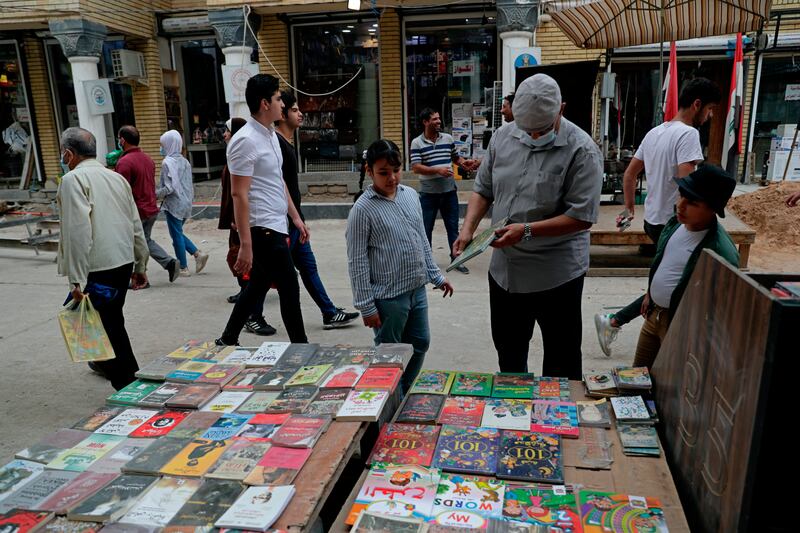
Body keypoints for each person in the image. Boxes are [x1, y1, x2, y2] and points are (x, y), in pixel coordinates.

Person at [453, 73, 602, 380]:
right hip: (506, 272)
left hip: (557, 274)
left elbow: (582, 217)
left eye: (541, 131)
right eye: (527, 130)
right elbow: (483, 189)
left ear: (561, 109)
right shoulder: (503, 137)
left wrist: (528, 230)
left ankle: (555, 422)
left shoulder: (582, 150)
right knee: (509, 355)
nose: (533, 137)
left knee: (561, 363)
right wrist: (468, 228)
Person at [594, 77, 722, 356]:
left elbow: (630, 175)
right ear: (697, 104)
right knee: (677, 284)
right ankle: (614, 320)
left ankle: (616, 321)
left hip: (653, 220)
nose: (710, 116)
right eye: (710, 109)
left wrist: (629, 208)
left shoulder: (655, 132)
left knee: (669, 279)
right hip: (674, 222)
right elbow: (688, 187)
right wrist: (689, 219)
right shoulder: (688, 135)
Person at [347, 139, 454, 392]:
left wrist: (436, 276)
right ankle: (390, 399)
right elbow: (357, 261)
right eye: (383, 172)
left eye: (396, 170)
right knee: (389, 355)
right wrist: (366, 306)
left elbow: (421, 241)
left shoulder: (410, 196)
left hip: (417, 290)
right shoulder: (362, 209)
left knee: (421, 343)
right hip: (388, 299)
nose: (392, 178)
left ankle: (403, 388)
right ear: (369, 171)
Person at [216, 74, 310, 346]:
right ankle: (301, 348)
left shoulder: (270, 135)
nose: (283, 103)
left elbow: (276, 181)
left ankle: (228, 337)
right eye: (279, 98)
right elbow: (239, 193)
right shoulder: (245, 140)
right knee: (290, 287)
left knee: (257, 284)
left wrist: (295, 217)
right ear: (264, 103)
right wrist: (246, 244)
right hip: (262, 229)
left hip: (277, 223)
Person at [57, 127, 149, 390]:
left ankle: (127, 382)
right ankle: (111, 368)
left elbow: (77, 231)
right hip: (122, 262)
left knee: (108, 326)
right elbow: (134, 224)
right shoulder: (115, 177)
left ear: (68, 153)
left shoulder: (73, 180)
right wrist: (140, 263)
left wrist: (75, 279)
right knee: (110, 321)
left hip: (97, 268)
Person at [631, 164, 739, 369]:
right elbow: (664, 261)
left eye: (692, 202)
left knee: (669, 387)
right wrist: (650, 293)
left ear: (713, 208)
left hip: (682, 326)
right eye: (681, 195)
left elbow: (722, 303)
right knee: (637, 378)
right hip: (654, 316)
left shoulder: (720, 250)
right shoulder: (675, 224)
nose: (680, 205)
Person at [273, 90, 360, 329]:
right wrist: (294, 218)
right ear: (281, 114)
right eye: (294, 110)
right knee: (267, 275)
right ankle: (252, 315)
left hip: (294, 220)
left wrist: (298, 218)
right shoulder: (276, 144)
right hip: (283, 223)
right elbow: (279, 187)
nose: (300, 114)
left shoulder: (287, 143)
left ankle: (329, 312)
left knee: (308, 267)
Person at [219, 117, 276, 336]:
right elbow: (234, 194)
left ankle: (241, 324)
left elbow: (244, 193)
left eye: (227, 130)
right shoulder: (235, 154)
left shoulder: (245, 152)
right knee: (250, 272)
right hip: (241, 222)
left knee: (259, 275)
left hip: (249, 221)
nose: (225, 135)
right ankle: (248, 319)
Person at [410, 108, 479, 274]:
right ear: (425, 122)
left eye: (439, 118)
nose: (439, 122)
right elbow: (416, 167)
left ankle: (456, 259)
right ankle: (427, 263)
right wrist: (437, 170)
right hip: (428, 195)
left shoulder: (447, 139)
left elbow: (455, 157)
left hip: (449, 192)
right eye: (434, 119)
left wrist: (464, 163)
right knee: (426, 229)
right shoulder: (416, 143)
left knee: (453, 227)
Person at [115, 125, 179, 285]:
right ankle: (168, 263)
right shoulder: (147, 159)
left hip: (137, 211)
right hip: (150, 207)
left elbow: (120, 192)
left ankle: (141, 277)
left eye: (119, 138)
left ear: (122, 140)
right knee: (144, 240)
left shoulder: (124, 163)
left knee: (136, 244)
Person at [157, 130, 209, 277]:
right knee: (178, 233)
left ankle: (183, 267)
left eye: (162, 145)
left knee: (176, 236)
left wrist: (155, 194)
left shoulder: (167, 162)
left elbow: (169, 187)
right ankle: (197, 254)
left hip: (174, 204)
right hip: (186, 202)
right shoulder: (184, 161)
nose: (161, 148)